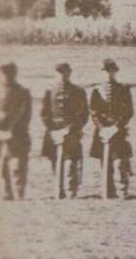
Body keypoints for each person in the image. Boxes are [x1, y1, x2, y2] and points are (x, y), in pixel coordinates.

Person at [40, 62, 89, 198]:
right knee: (55, 160)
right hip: (53, 133)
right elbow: (44, 113)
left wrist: (73, 128)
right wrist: (52, 129)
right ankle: (58, 190)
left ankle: (71, 191)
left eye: (64, 72)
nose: (62, 75)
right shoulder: (49, 91)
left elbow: (84, 114)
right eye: (59, 72)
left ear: (69, 73)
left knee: (71, 161)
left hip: (71, 132)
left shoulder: (78, 91)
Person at [0, 62, 32, 200]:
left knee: (17, 166)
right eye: (3, 73)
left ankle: (19, 192)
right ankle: (7, 192)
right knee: (1, 167)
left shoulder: (23, 92)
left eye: (8, 73)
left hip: (17, 136)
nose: (6, 76)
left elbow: (24, 116)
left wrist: (11, 132)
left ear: (14, 74)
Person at [89, 59, 134, 199]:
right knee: (105, 162)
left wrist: (116, 127)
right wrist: (102, 128)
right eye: (105, 71)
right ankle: (108, 191)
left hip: (118, 131)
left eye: (110, 71)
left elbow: (128, 111)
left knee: (120, 162)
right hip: (102, 133)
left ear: (115, 72)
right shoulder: (96, 91)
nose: (108, 74)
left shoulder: (123, 89)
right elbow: (94, 112)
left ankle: (122, 191)